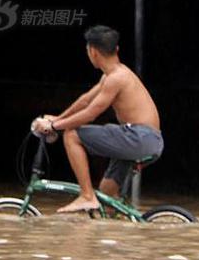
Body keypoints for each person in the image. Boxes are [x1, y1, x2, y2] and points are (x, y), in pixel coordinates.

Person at [32, 25, 163, 213]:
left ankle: (86, 195)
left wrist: (54, 126)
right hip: (145, 140)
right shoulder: (113, 74)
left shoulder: (116, 78)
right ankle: (124, 231)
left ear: (92, 51)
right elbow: (86, 100)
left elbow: (90, 113)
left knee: (72, 134)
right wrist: (58, 118)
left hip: (139, 137)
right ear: (116, 50)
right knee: (107, 196)